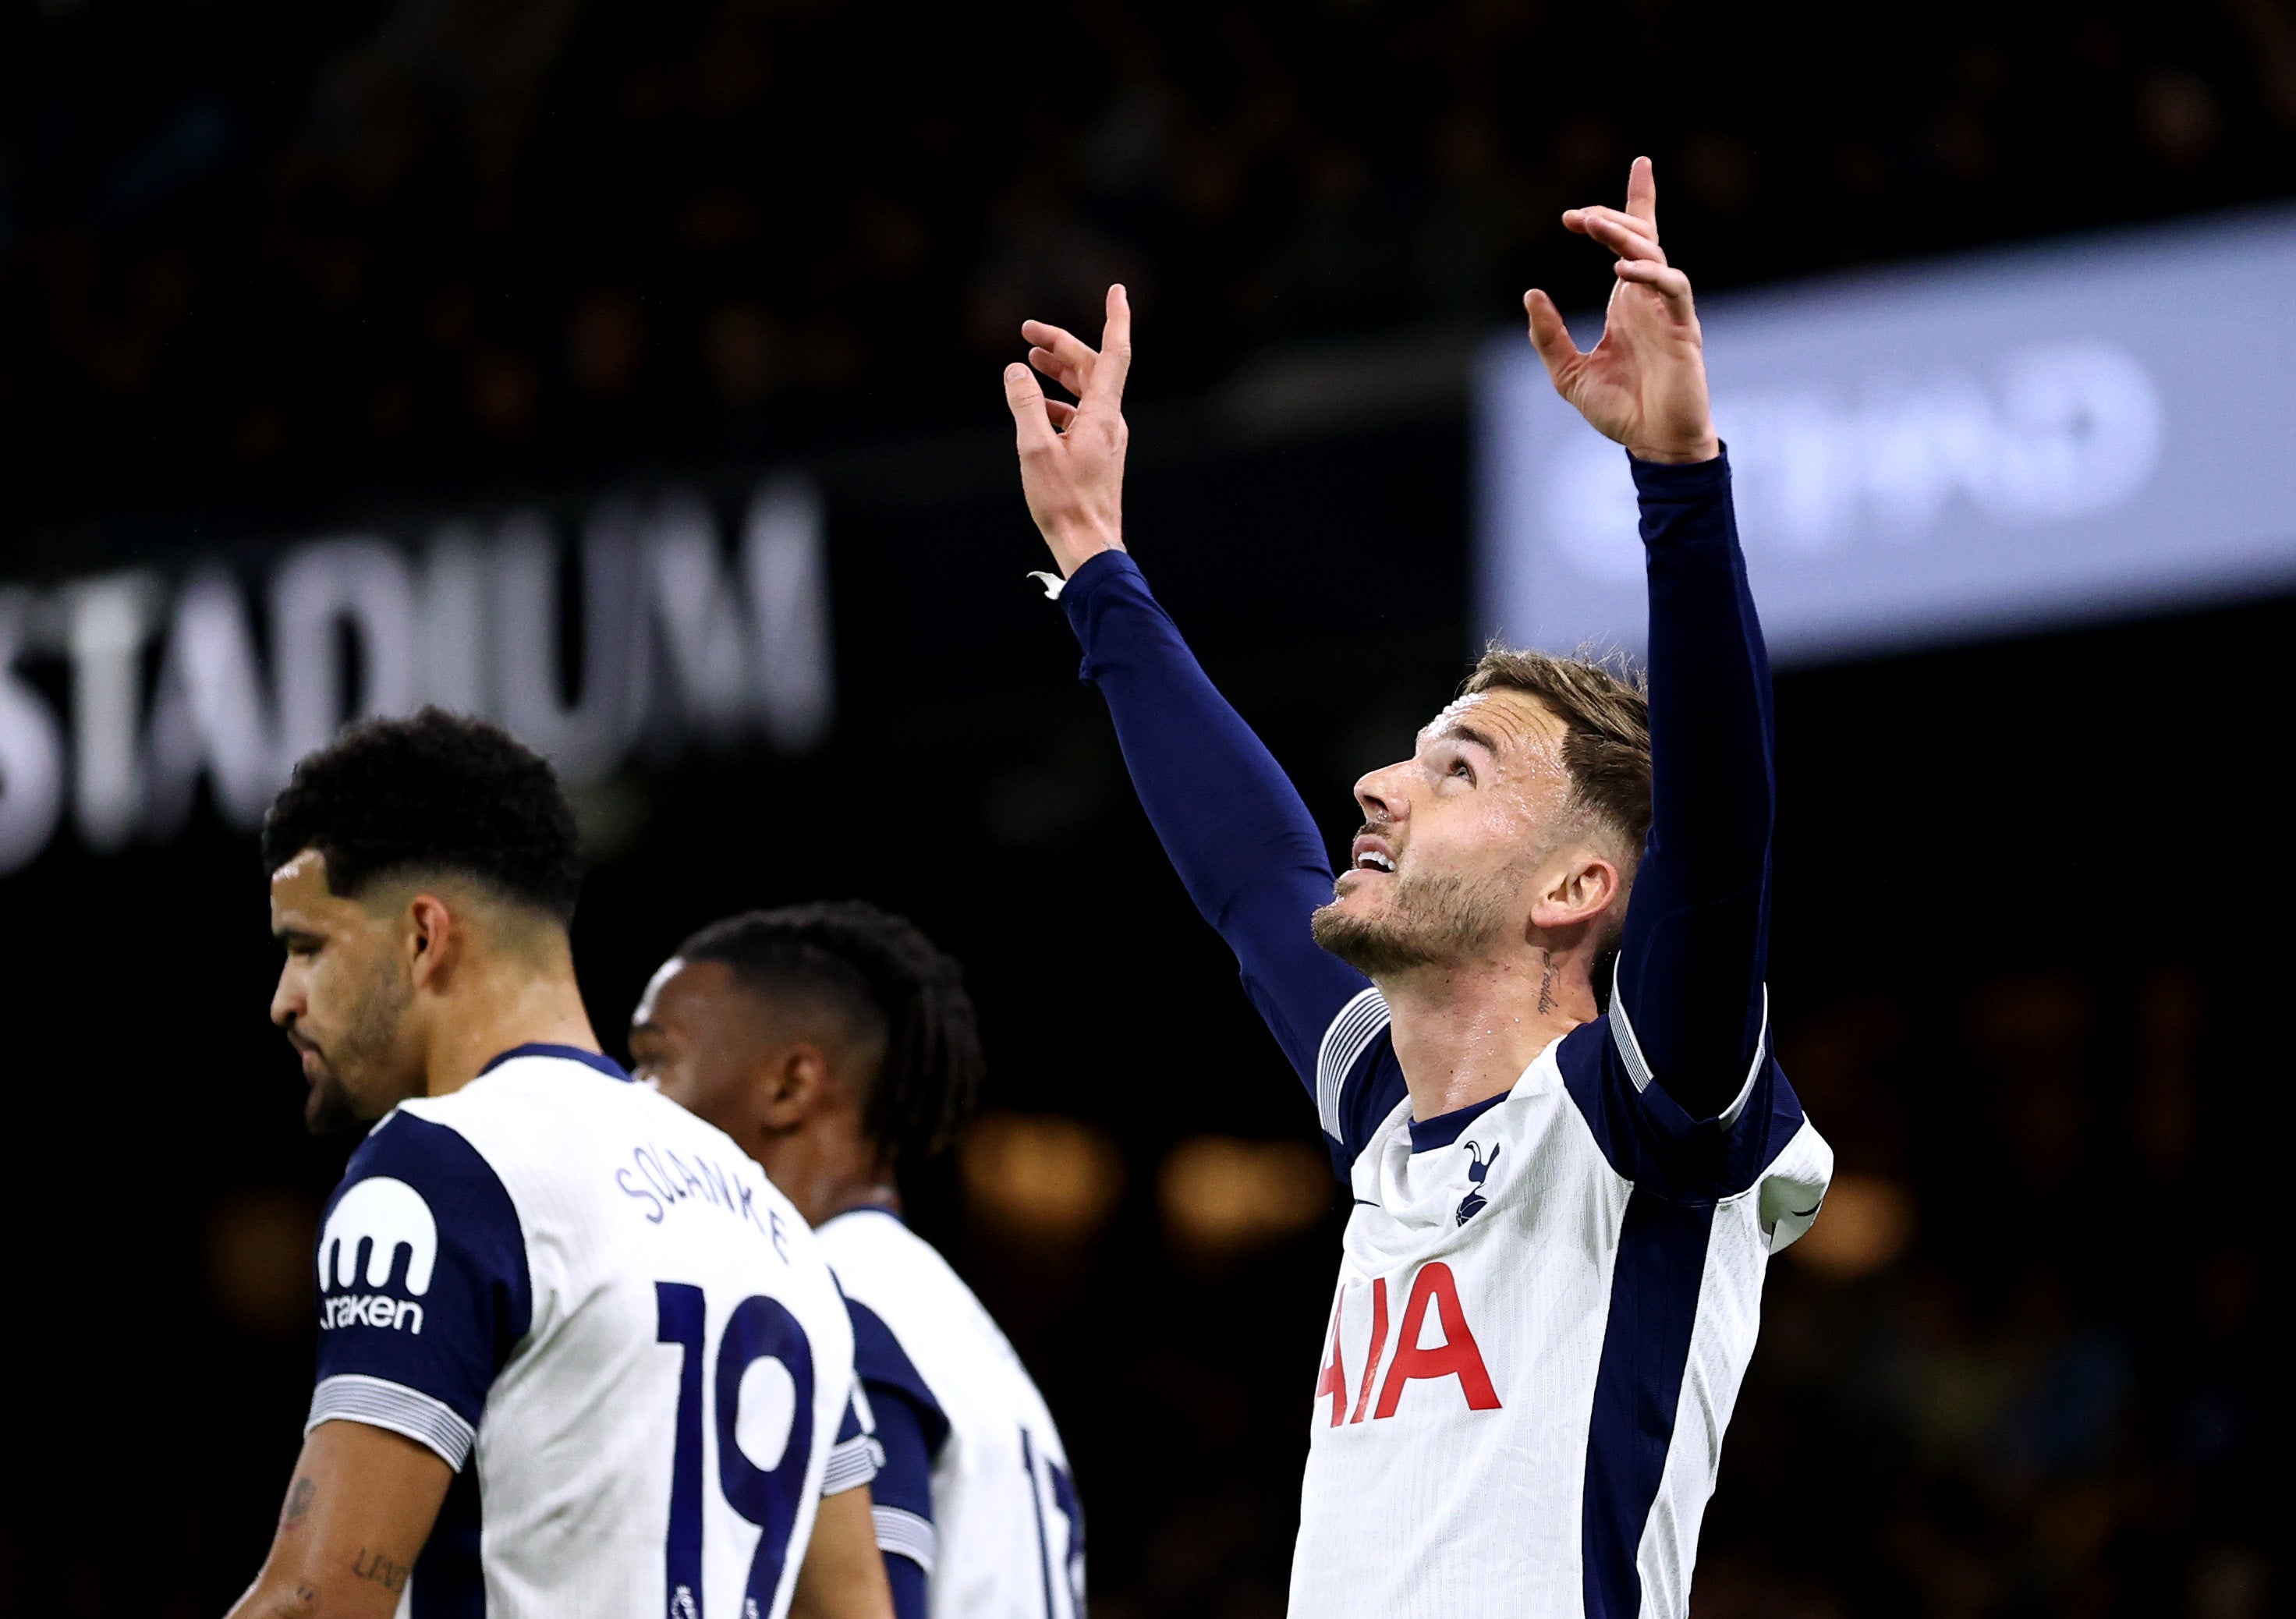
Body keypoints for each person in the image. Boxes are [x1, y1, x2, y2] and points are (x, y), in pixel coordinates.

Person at [997, 158, 1833, 1619]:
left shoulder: (1639, 1116)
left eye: (1454, 772)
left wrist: (1679, 488)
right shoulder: (1388, 1109)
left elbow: (1721, 841)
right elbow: (1253, 873)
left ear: (1577, 884)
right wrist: (1093, 560)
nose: (1377, 789)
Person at [226, 710, 893, 1619]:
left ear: (424, 936)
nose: (283, 1001)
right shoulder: (777, 1228)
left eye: (307, 947)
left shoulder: (443, 1167)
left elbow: (316, 1600)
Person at [629, 901, 1085, 1619]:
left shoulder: (830, 1308)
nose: (633, 1099)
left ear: (790, 1085)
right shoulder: (939, 1315)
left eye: (656, 1059)